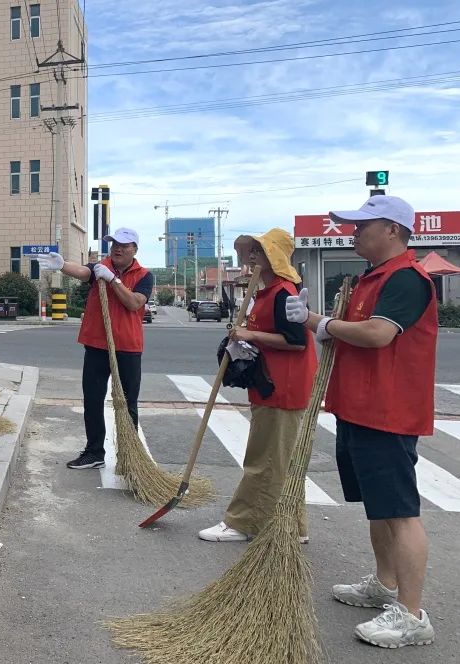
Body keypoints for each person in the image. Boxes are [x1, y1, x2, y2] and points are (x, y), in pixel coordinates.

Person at [286, 195, 437, 649]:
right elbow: (349, 339)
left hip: (388, 412)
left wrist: (320, 323)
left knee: (400, 512)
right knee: (378, 507)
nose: (353, 232)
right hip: (357, 407)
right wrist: (325, 328)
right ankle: (384, 584)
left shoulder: (407, 279)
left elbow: (378, 334)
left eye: (362, 225)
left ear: (392, 229)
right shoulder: (370, 279)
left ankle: (412, 615)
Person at [198, 229, 317, 543]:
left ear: (274, 256)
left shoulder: (284, 293)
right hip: (272, 383)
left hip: (283, 386)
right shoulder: (266, 290)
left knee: (264, 459)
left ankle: (243, 522)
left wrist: (250, 336)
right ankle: (290, 526)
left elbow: (296, 343)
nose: (251, 256)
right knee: (282, 460)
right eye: (250, 251)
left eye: (258, 251)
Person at [39, 228, 153, 470]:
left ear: (135, 249)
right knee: (92, 399)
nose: (118, 249)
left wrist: (114, 280)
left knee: (127, 402)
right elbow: (83, 272)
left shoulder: (144, 275)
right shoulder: (100, 267)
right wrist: (62, 265)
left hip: (128, 347)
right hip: (97, 345)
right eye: (114, 244)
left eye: (123, 245)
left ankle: (129, 455)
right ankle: (94, 452)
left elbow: (134, 303)